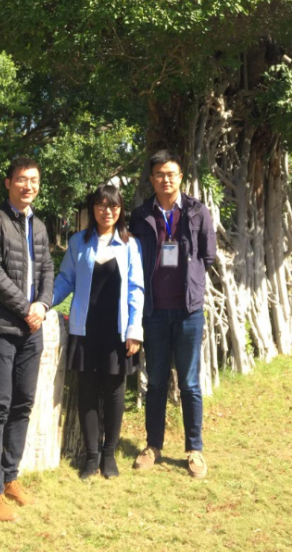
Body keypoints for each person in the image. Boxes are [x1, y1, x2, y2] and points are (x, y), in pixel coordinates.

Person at [0, 157, 54, 522]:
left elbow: (48, 268)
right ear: (8, 183)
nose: (28, 186)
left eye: (33, 180)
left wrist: (43, 305)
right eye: (21, 179)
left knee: (22, 404)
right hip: (0, 329)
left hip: (31, 330)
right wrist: (26, 308)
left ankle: (10, 478)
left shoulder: (39, 226)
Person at [129, 150, 216, 480]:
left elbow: (208, 255)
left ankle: (194, 449)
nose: (166, 179)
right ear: (152, 179)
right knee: (156, 382)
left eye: (171, 174)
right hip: (154, 311)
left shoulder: (197, 211)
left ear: (181, 177)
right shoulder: (141, 215)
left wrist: (192, 283)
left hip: (188, 312)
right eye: (159, 174)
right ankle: (153, 446)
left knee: (190, 383)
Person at [53, 183, 144, 479]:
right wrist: (43, 302)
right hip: (85, 328)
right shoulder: (78, 242)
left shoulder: (130, 245)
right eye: (102, 205)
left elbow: (136, 289)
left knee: (115, 392)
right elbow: (65, 279)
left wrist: (135, 329)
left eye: (114, 206)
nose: (107, 211)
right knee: (88, 391)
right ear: (93, 208)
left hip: (117, 330)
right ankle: (91, 456)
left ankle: (109, 454)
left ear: (121, 210)